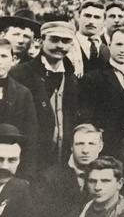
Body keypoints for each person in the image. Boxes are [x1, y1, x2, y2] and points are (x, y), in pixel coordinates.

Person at [9, 21, 79, 170]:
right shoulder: (20, 74)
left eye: (66, 41)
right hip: (32, 158)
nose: (60, 45)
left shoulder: (72, 78)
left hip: (63, 160)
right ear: (41, 40)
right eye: (54, 39)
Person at [79, 26, 124, 155]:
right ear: (109, 45)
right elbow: (86, 117)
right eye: (119, 44)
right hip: (108, 145)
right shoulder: (93, 78)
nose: (123, 50)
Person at [38, 124, 104, 217]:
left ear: (100, 147)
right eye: (80, 144)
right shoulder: (49, 177)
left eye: (91, 144)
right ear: (71, 147)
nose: (85, 150)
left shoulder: (109, 177)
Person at [0, 38, 37, 177]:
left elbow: (31, 135)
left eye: (3, 56)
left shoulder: (23, 93)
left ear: (13, 59)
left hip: (10, 167)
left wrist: (26, 174)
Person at [70, 0, 109, 77]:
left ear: (104, 22)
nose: (91, 21)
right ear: (78, 17)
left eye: (97, 17)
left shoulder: (105, 49)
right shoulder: (69, 46)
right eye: (87, 16)